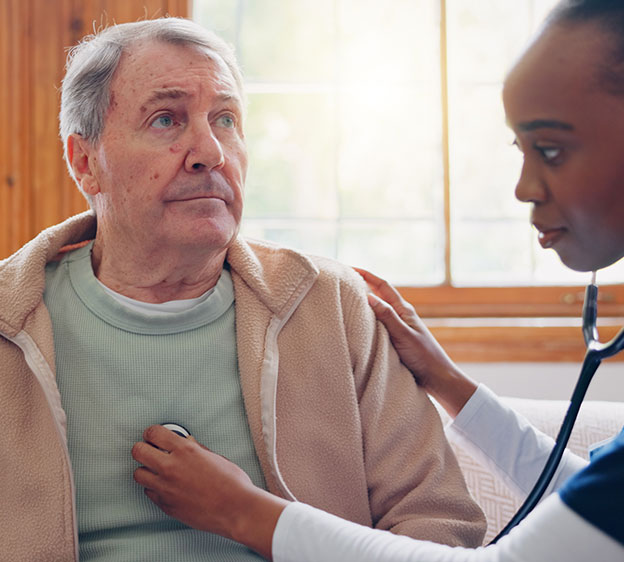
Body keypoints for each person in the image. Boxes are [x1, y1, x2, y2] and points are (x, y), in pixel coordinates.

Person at [129, 1, 624, 560]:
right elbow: (596, 507)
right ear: (83, 160)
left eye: (552, 150)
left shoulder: (328, 305)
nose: (524, 188)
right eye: (522, 150)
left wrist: (244, 511)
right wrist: (447, 383)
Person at [0, 17, 486, 562]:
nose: (210, 151)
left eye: (225, 119)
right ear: (85, 162)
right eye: (166, 120)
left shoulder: (332, 305)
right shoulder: (9, 322)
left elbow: (441, 524)